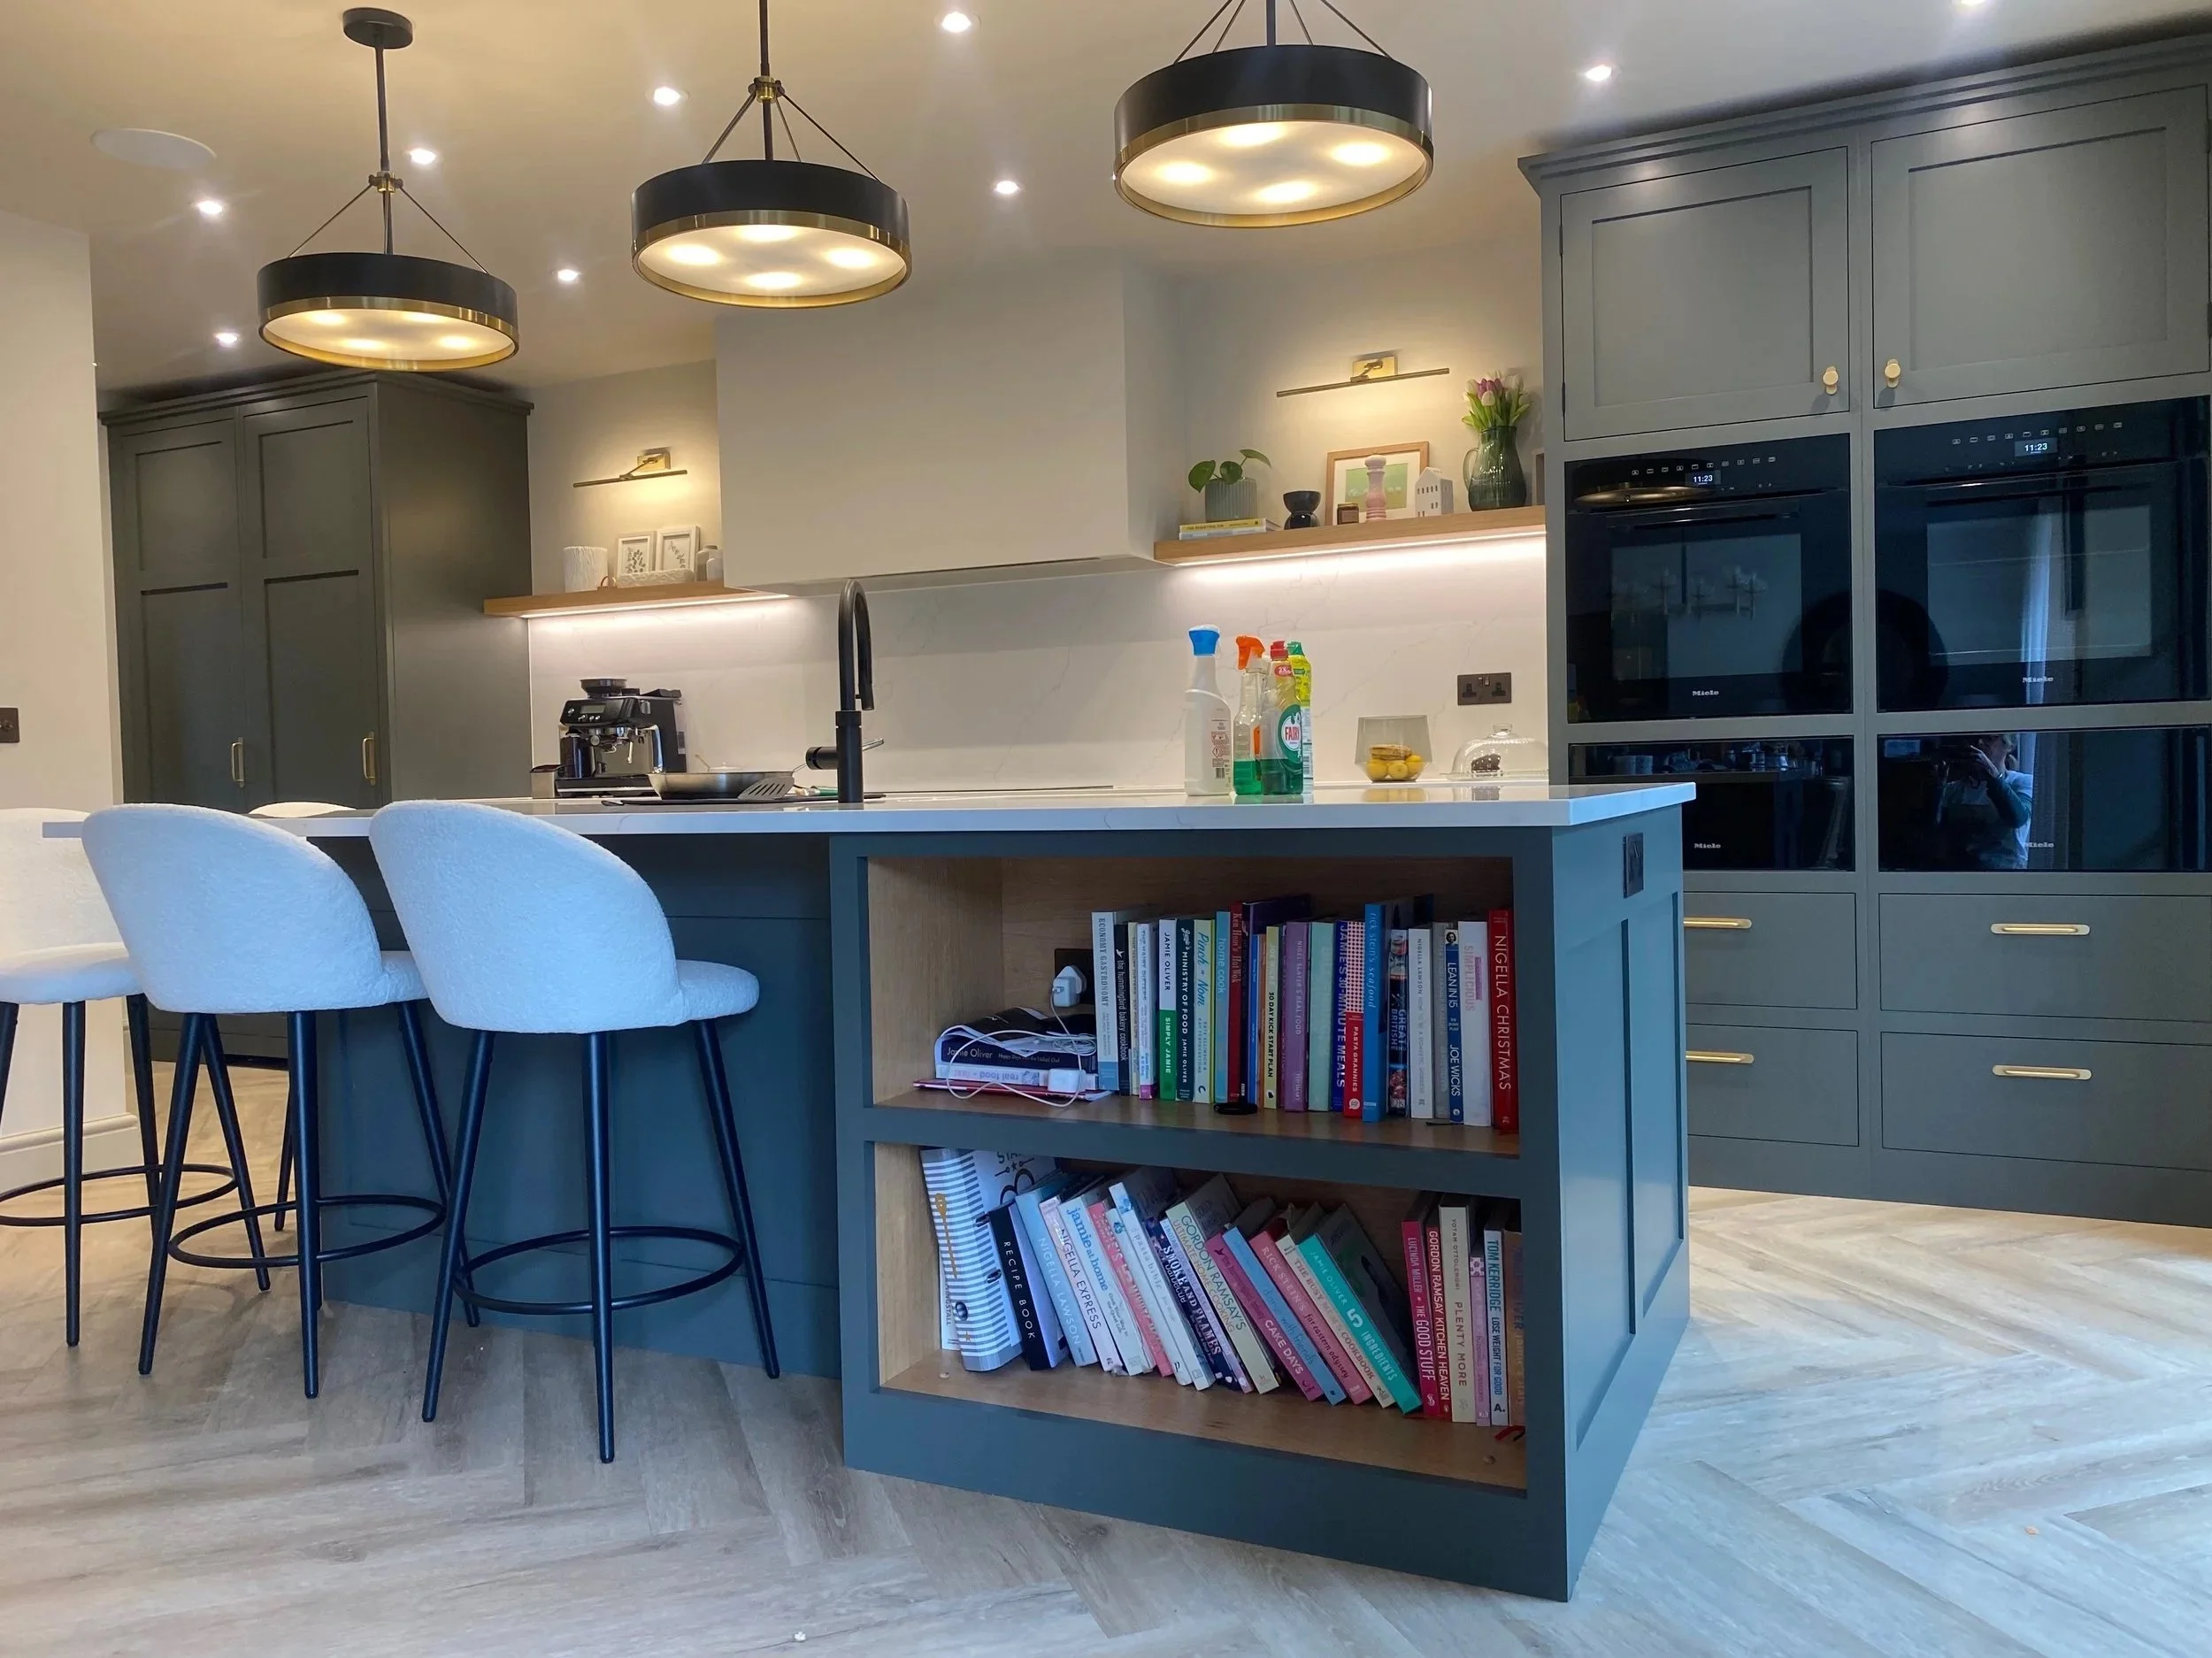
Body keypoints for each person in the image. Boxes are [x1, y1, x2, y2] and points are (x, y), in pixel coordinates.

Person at [1936, 733, 2034, 870]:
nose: (1980, 743)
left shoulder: (2021, 783)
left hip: (2006, 874)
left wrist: (1993, 775)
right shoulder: (1954, 789)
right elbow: (1939, 834)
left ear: (2008, 746)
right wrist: (1937, 788)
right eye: (1975, 739)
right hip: (1959, 873)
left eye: (1989, 738)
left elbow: (2017, 819)